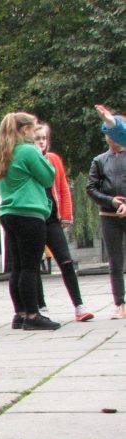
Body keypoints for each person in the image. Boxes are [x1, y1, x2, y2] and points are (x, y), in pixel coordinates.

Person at [0, 112, 60, 331]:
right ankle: (32, 314)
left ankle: (19, 313)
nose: (35, 134)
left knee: (18, 266)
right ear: (24, 130)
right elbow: (49, 176)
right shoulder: (29, 151)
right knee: (31, 267)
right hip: (29, 212)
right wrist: (41, 156)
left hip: (9, 213)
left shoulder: (4, 152)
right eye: (32, 129)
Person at [30, 122, 94, 324]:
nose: (41, 142)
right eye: (37, 138)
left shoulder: (53, 159)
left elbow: (63, 188)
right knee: (34, 264)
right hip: (34, 218)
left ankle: (79, 305)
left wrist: (66, 214)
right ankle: (42, 307)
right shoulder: (27, 160)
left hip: (51, 219)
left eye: (44, 138)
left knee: (65, 260)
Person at [86, 111, 126, 319]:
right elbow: (91, 188)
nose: (110, 137)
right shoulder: (99, 161)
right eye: (107, 133)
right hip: (109, 216)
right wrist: (110, 201)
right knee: (115, 262)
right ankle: (120, 303)